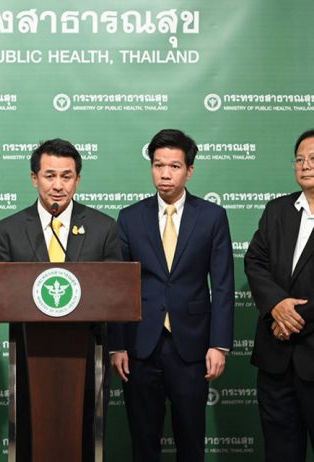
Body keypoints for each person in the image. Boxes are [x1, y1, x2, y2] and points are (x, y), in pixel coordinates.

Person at [0, 138, 121, 461]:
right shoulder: (8, 230)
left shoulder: (103, 228)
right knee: (31, 434)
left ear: (78, 179)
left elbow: (115, 292)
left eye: (67, 176)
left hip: (88, 354)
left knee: (85, 434)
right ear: (34, 178)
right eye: (50, 176)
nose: (58, 185)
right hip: (28, 355)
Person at [109, 129, 234, 462]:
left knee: (191, 440)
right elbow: (120, 285)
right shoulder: (130, 217)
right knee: (143, 440)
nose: (165, 174)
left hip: (192, 347)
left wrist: (219, 344)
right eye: (158, 165)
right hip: (140, 346)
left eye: (174, 166)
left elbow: (223, 285)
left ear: (189, 170)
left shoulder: (212, 216)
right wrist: (118, 344)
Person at [245, 129, 314, 462]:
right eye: (300, 159)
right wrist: (276, 305)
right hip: (276, 361)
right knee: (280, 452)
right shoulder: (277, 210)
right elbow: (255, 261)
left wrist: (292, 318)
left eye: (313, 158)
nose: (306, 165)